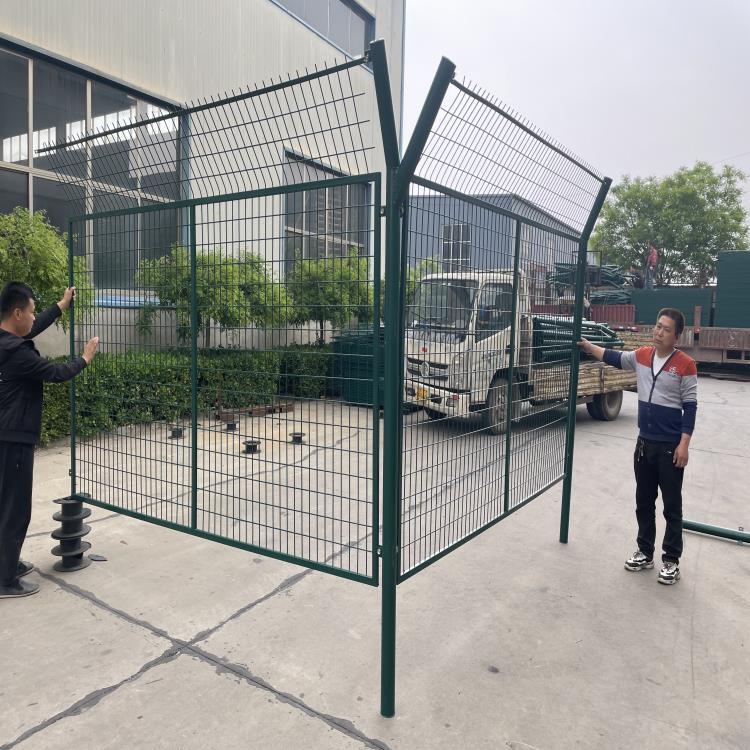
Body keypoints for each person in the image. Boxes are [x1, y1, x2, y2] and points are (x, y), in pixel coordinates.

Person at [578, 308, 697, 585]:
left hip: (670, 448)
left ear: (677, 336)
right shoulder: (642, 356)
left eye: (666, 329)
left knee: (672, 507)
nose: (659, 332)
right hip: (644, 444)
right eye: (658, 326)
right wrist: (588, 346)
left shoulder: (686, 365)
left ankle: (671, 561)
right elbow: (614, 357)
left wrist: (684, 445)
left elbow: (690, 407)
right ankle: (645, 552)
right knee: (643, 502)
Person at [0, 282, 99, 599]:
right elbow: (56, 372)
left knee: (6, 505)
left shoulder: (5, 340)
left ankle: (6, 564)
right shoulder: (16, 353)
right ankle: (5, 580)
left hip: (6, 435)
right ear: (17, 313)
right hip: (14, 438)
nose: (33, 317)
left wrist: (61, 305)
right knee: (15, 510)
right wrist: (84, 359)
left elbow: (32, 328)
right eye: (31, 311)